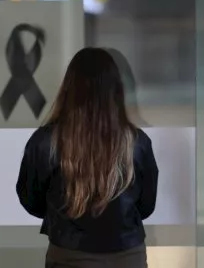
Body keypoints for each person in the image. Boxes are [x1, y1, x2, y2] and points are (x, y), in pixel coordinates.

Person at [16, 47, 159, 268]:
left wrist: (62, 213)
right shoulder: (137, 142)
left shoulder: (45, 141)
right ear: (117, 91)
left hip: (68, 255)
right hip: (127, 257)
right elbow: (147, 205)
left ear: (69, 90)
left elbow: (30, 199)